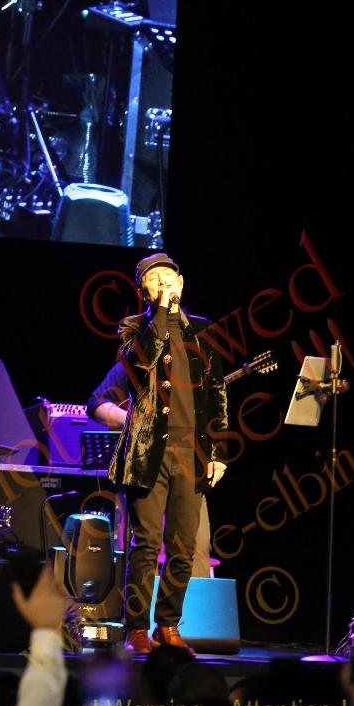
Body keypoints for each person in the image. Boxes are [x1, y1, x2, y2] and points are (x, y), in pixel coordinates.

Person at [107, 252, 228, 654]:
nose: (164, 283)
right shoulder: (133, 329)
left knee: (184, 546)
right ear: (144, 290)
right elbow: (139, 365)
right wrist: (160, 314)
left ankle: (169, 625)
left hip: (191, 454)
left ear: (182, 282)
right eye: (155, 279)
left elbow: (217, 393)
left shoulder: (204, 330)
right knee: (146, 544)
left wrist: (219, 452)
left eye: (169, 276)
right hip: (147, 453)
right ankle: (136, 628)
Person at [86, 362, 214, 577]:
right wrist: (136, 420)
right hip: (144, 467)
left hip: (186, 466)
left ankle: (190, 599)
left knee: (194, 547)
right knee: (145, 547)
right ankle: (139, 597)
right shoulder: (136, 361)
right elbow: (96, 403)